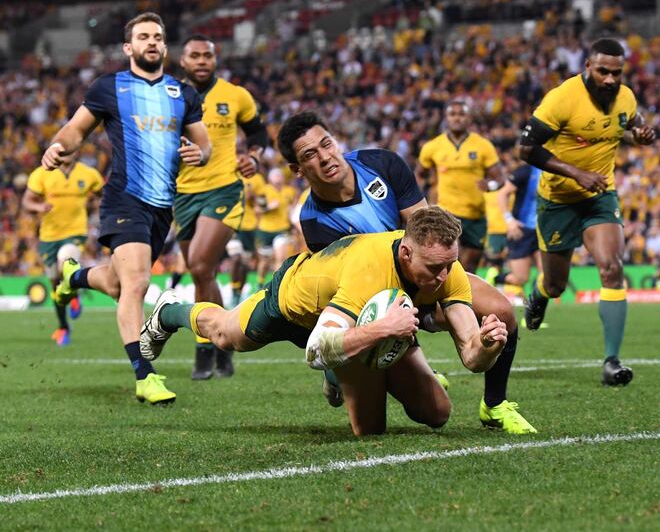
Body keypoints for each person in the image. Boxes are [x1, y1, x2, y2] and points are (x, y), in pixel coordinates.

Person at [140, 207, 508, 437]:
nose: (444, 276)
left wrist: (489, 344)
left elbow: (472, 356)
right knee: (223, 335)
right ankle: (168, 311)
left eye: (450, 264)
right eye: (434, 268)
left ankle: (342, 372)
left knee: (437, 413)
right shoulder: (371, 269)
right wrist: (382, 329)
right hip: (293, 304)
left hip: (360, 322)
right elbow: (316, 349)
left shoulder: (449, 270)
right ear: (407, 251)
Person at [280, 111, 535, 434]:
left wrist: (434, 282)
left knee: (502, 311)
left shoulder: (382, 165)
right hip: (381, 297)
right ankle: (339, 372)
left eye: (326, 144)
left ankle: (494, 406)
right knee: (429, 411)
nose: (325, 157)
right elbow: (351, 284)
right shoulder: (315, 220)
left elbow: (425, 229)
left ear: (335, 140)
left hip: (424, 275)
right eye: (310, 155)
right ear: (298, 170)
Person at [43, 12, 210, 404]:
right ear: (128, 47)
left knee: (120, 286)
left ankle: (75, 278)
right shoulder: (109, 87)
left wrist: (198, 153)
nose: (151, 42)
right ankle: (144, 374)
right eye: (143, 36)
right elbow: (75, 129)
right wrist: (59, 145)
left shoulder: (183, 94)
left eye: (157, 36)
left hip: (162, 206)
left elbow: (204, 145)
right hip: (125, 197)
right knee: (137, 283)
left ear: (164, 47)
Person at [517, 38, 656, 386]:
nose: (610, 79)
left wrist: (638, 133)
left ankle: (612, 361)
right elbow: (526, 149)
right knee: (556, 283)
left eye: (617, 73)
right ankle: (539, 294)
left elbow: (630, 119)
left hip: (600, 196)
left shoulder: (625, 96)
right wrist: (576, 173)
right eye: (603, 71)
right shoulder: (562, 99)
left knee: (612, 268)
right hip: (558, 199)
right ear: (588, 67)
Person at [175, 34, 267, 380]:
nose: (201, 61)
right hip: (181, 194)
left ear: (215, 60)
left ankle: (204, 349)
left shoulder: (236, 95)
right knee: (204, 274)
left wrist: (254, 158)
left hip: (224, 190)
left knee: (199, 265)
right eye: (194, 55)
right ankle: (222, 340)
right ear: (183, 61)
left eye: (206, 56)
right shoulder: (168, 95)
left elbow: (258, 135)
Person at [22, 153, 104, 346]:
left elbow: (103, 195)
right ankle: (63, 326)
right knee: (54, 285)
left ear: (77, 150)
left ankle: (73, 295)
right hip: (49, 237)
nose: (67, 152)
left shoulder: (89, 174)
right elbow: (27, 201)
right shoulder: (41, 174)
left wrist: (93, 205)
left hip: (75, 232)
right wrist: (39, 206)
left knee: (64, 261)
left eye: (71, 148)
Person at [417, 100, 506, 273]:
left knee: (470, 266)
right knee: (449, 262)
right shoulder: (433, 147)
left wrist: (490, 184)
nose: (457, 118)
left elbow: (500, 178)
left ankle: (462, 298)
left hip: (476, 215)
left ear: (469, 118)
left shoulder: (483, 146)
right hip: (446, 213)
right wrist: (423, 195)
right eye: (453, 114)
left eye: (461, 114)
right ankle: (443, 299)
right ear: (446, 118)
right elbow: (419, 173)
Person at [493, 164, 543, 301]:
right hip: (522, 230)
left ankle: (535, 307)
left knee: (545, 275)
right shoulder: (526, 171)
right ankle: (496, 278)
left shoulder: (557, 171)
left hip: (544, 231)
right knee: (520, 278)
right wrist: (509, 220)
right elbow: (503, 193)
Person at [227, 169, 267, 306]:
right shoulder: (230, 174)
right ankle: (233, 289)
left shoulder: (258, 179)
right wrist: (242, 195)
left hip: (250, 227)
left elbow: (263, 204)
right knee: (235, 257)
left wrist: (253, 197)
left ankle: (238, 292)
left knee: (244, 264)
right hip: (232, 224)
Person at [255, 168, 297, 285]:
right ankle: (260, 282)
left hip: (282, 228)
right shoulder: (264, 191)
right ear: (270, 178)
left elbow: (293, 206)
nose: (278, 178)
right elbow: (258, 209)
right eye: (275, 176)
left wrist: (292, 213)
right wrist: (269, 207)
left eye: (280, 175)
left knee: (281, 257)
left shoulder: (289, 191)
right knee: (265, 260)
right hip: (266, 229)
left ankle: (275, 285)